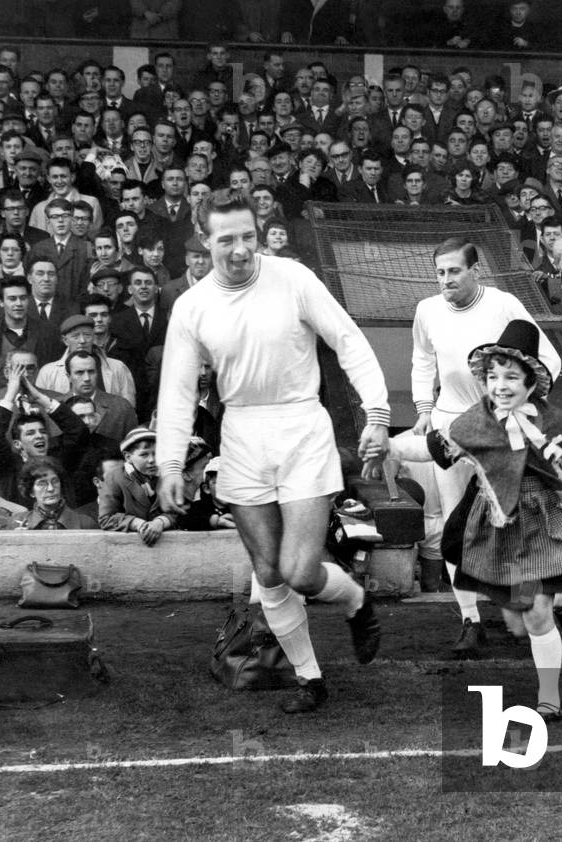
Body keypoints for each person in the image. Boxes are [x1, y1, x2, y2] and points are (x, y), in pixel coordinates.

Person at [156, 189, 388, 714]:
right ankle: (310, 678)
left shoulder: (294, 279)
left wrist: (376, 413)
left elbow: (348, 340)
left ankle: (355, 600)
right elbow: (176, 390)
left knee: (301, 570)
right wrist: (170, 462)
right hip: (241, 434)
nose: (239, 250)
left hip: (302, 425)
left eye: (248, 237)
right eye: (226, 240)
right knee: (267, 572)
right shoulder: (192, 307)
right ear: (202, 240)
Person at [381, 320, 562, 722]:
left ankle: (549, 695)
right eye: (493, 375)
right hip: (496, 521)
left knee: (534, 613)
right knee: (517, 620)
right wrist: (388, 446)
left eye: (511, 376)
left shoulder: (552, 420)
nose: (500, 384)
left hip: (545, 522)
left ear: (531, 383)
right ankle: (554, 601)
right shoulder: (476, 420)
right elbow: (432, 449)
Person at [410, 237, 562, 657]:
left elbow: (549, 358)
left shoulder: (504, 304)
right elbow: (422, 358)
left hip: (502, 429)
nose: (446, 280)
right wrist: (424, 408)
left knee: (516, 522)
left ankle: (543, 598)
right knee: (456, 529)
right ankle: (470, 620)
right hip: (450, 422)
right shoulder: (426, 310)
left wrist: (523, 410)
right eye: (439, 272)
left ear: (476, 270)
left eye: (454, 271)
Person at [16, 455, 98, 529]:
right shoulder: (17, 522)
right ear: (31, 492)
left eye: (55, 481)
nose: (50, 488)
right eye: (42, 484)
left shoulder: (85, 523)